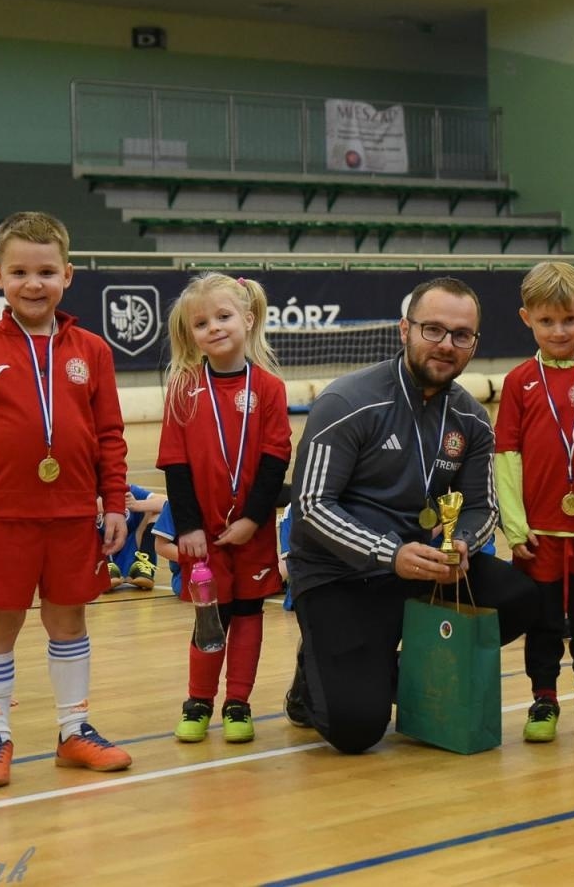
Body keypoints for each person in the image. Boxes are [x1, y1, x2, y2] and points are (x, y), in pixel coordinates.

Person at [285, 277, 539, 755]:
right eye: (433, 330)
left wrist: (462, 542)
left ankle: (396, 667)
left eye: (462, 335)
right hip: (342, 576)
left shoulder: (472, 419)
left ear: (474, 344)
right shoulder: (346, 403)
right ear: (405, 330)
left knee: (524, 598)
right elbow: (312, 506)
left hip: (425, 569)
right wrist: (388, 554)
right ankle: (313, 674)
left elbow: (483, 505)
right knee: (356, 731)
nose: (447, 345)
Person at [0, 212, 132, 788]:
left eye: (46, 271)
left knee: (68, 622)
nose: (33, 283)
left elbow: (109, 434)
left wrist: (116, 502)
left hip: (75, 515)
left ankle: (74, 732)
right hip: (2, 517)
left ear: (67, 275)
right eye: (20, 271)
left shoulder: (92, 350)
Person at [158, 274, 291, 744]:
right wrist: (188, 527)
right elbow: (174, 465)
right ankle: (198, 702)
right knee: (209, 618)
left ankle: (238, 703)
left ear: (247, 319)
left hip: (251, 533)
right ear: (190, 334)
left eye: (223, 316)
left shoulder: (270, 389)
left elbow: (276, 460)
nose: (213, 328)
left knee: (250, 614)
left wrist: (253, 521)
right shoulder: (183, 387)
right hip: (203, 537)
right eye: (201, 322)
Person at [495, 261, 574, 743]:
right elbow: (507, 455)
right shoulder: (519, 382)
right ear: (527, 319)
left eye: (569, 319)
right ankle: (543, 699)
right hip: (540, 530)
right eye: (547, 321)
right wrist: (515, 525)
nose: (559, 330)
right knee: (543, 619)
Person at [103, 484, 166, 592]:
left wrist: (137, 504)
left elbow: (167, 502)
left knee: (157, 511)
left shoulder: (127, 491)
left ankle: (142, 567)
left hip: (131, 548)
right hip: (102, 552)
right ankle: (104, 568)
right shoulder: (83, 495)